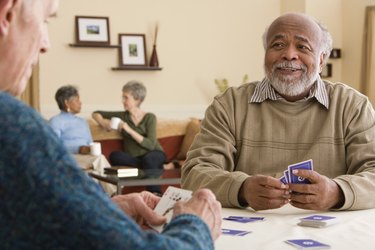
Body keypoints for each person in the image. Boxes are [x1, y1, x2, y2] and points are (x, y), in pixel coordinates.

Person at [0, 0, 222, 248]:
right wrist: (195, 224)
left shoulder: (148, 117)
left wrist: (102, 210)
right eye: (45, 20)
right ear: (7, 13)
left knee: (150, 157)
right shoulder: (12, 124)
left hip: (147, 156)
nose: (46, 44)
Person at [182, 12, 375, 212]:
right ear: (265, 54)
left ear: (321, 60)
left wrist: (338, 192)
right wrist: (241, 189)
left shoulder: (352, 106)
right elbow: (195, 173)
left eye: (302, 47)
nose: (289, 54)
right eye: (278, 45)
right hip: (249, 232)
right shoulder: (229, 105)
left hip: (333, 231)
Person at [92, 81, 166, 194]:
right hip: (135, 159)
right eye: (123, 97)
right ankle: (155, 169)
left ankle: (155, 193)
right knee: (114, 156)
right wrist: (103, 123)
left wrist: (128, 129)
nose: (123, 101)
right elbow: (96, 113)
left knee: (149, 159)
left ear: (137, 99)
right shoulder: (123, 116)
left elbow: (150, 144)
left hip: (154, 153)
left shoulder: (150, 117)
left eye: (126, 98)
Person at [49, 85, 93, 154]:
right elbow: (54, 147)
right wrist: (79, 149)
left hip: (89, 157)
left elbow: (91, 143)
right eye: (77, 100)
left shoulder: (83, 121)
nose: (80, 103)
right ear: (66, 103)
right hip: (69, 158)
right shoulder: (56, 121)